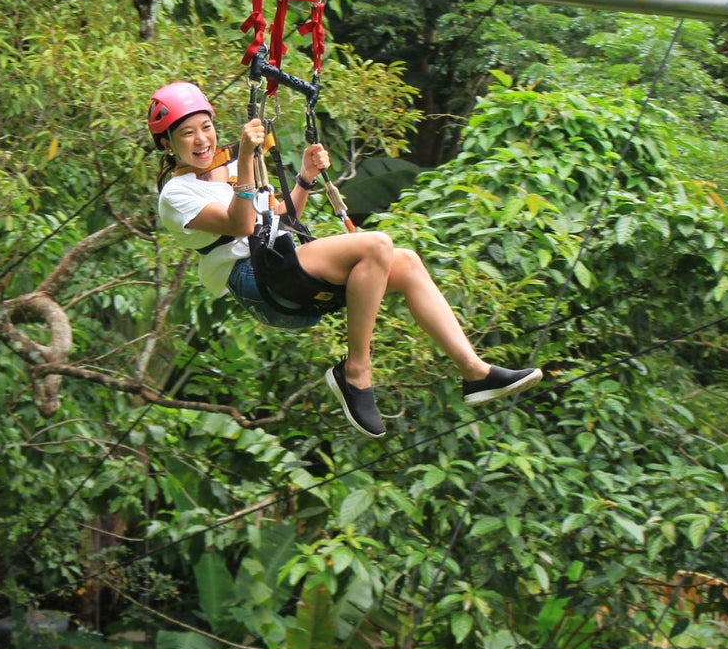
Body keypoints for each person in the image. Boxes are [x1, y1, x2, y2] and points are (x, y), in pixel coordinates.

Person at [148, 81, 543, 439]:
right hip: (256, 278)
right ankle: (355, 372)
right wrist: (248, 159)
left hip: (281, 264)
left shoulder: (233, 167)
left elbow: (281, 216)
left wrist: (304, 177)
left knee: (405, 261)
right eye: (187, 134)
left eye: (206, 128)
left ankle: (474, 372)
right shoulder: (176, 196)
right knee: (377, 245)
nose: (201, 140)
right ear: (168, 144)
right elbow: (243, 224)